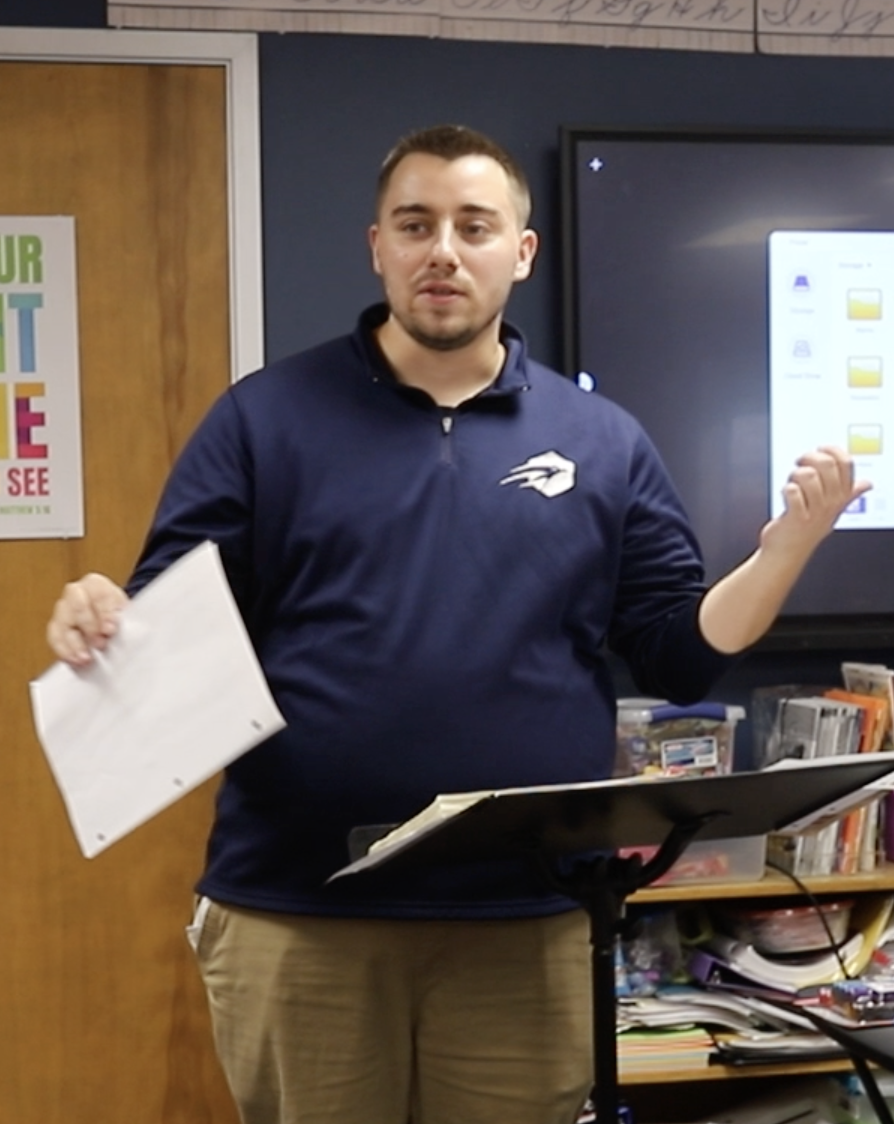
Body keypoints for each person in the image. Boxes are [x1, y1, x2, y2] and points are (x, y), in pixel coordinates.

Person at [46, 124, 870, 1124]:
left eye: (474, 225)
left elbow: (681, 653)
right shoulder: (264, 419)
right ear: (378, 245)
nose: (444, 248)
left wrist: (784, 547)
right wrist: (103, 611)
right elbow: (167, 615)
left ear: (519, 251)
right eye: (416, 223)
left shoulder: (600, 440)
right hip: (300, 913)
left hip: (520, 921)